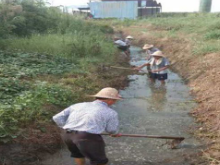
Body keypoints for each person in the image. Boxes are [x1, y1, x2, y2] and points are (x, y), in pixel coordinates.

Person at [53, 87, 121, 165]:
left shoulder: (77, 105)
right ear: (110, 100)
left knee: (78, 154)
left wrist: (67, 126)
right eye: (115, 100)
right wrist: (115, 134)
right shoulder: (111, 112)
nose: (115, 102)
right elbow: (111, 130)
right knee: (99, 161)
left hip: (67, 134)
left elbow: (57, 118)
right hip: (86, 137)